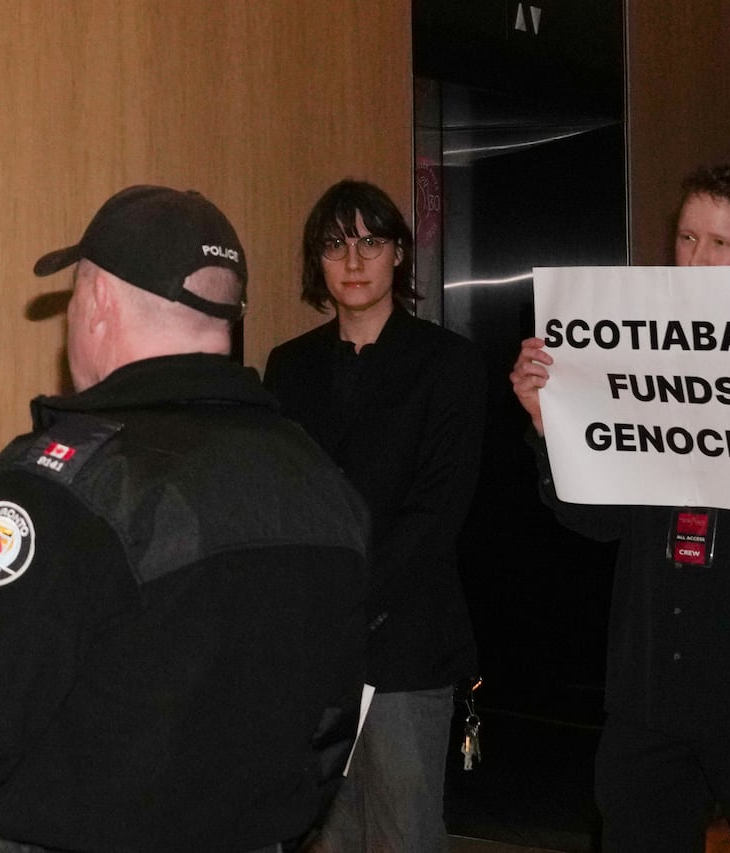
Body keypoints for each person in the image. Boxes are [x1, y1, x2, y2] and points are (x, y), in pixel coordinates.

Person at [0, 185, 371, 853]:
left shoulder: (64, 486)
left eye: (75, 297)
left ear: (99, 300)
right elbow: (329, 737)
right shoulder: (322, 482)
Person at [509, 164, 730, 852]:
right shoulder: (633, 349)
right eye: (686, 238)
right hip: (650, 695)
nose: (698, 260)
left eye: (720, 243)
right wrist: (549, 428)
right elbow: (596, 521)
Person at [264, 179, 486, 853]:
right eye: (335, 244)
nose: (353, 260)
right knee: (322, 839)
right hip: (313, 653)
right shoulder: (289, 366)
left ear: (398, 255)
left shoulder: (449, 363)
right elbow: (282, 501)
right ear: (316, 262)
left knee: (401, 837)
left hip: (406, 649)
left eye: (370, 242)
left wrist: (348, 601)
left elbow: (435, 513)